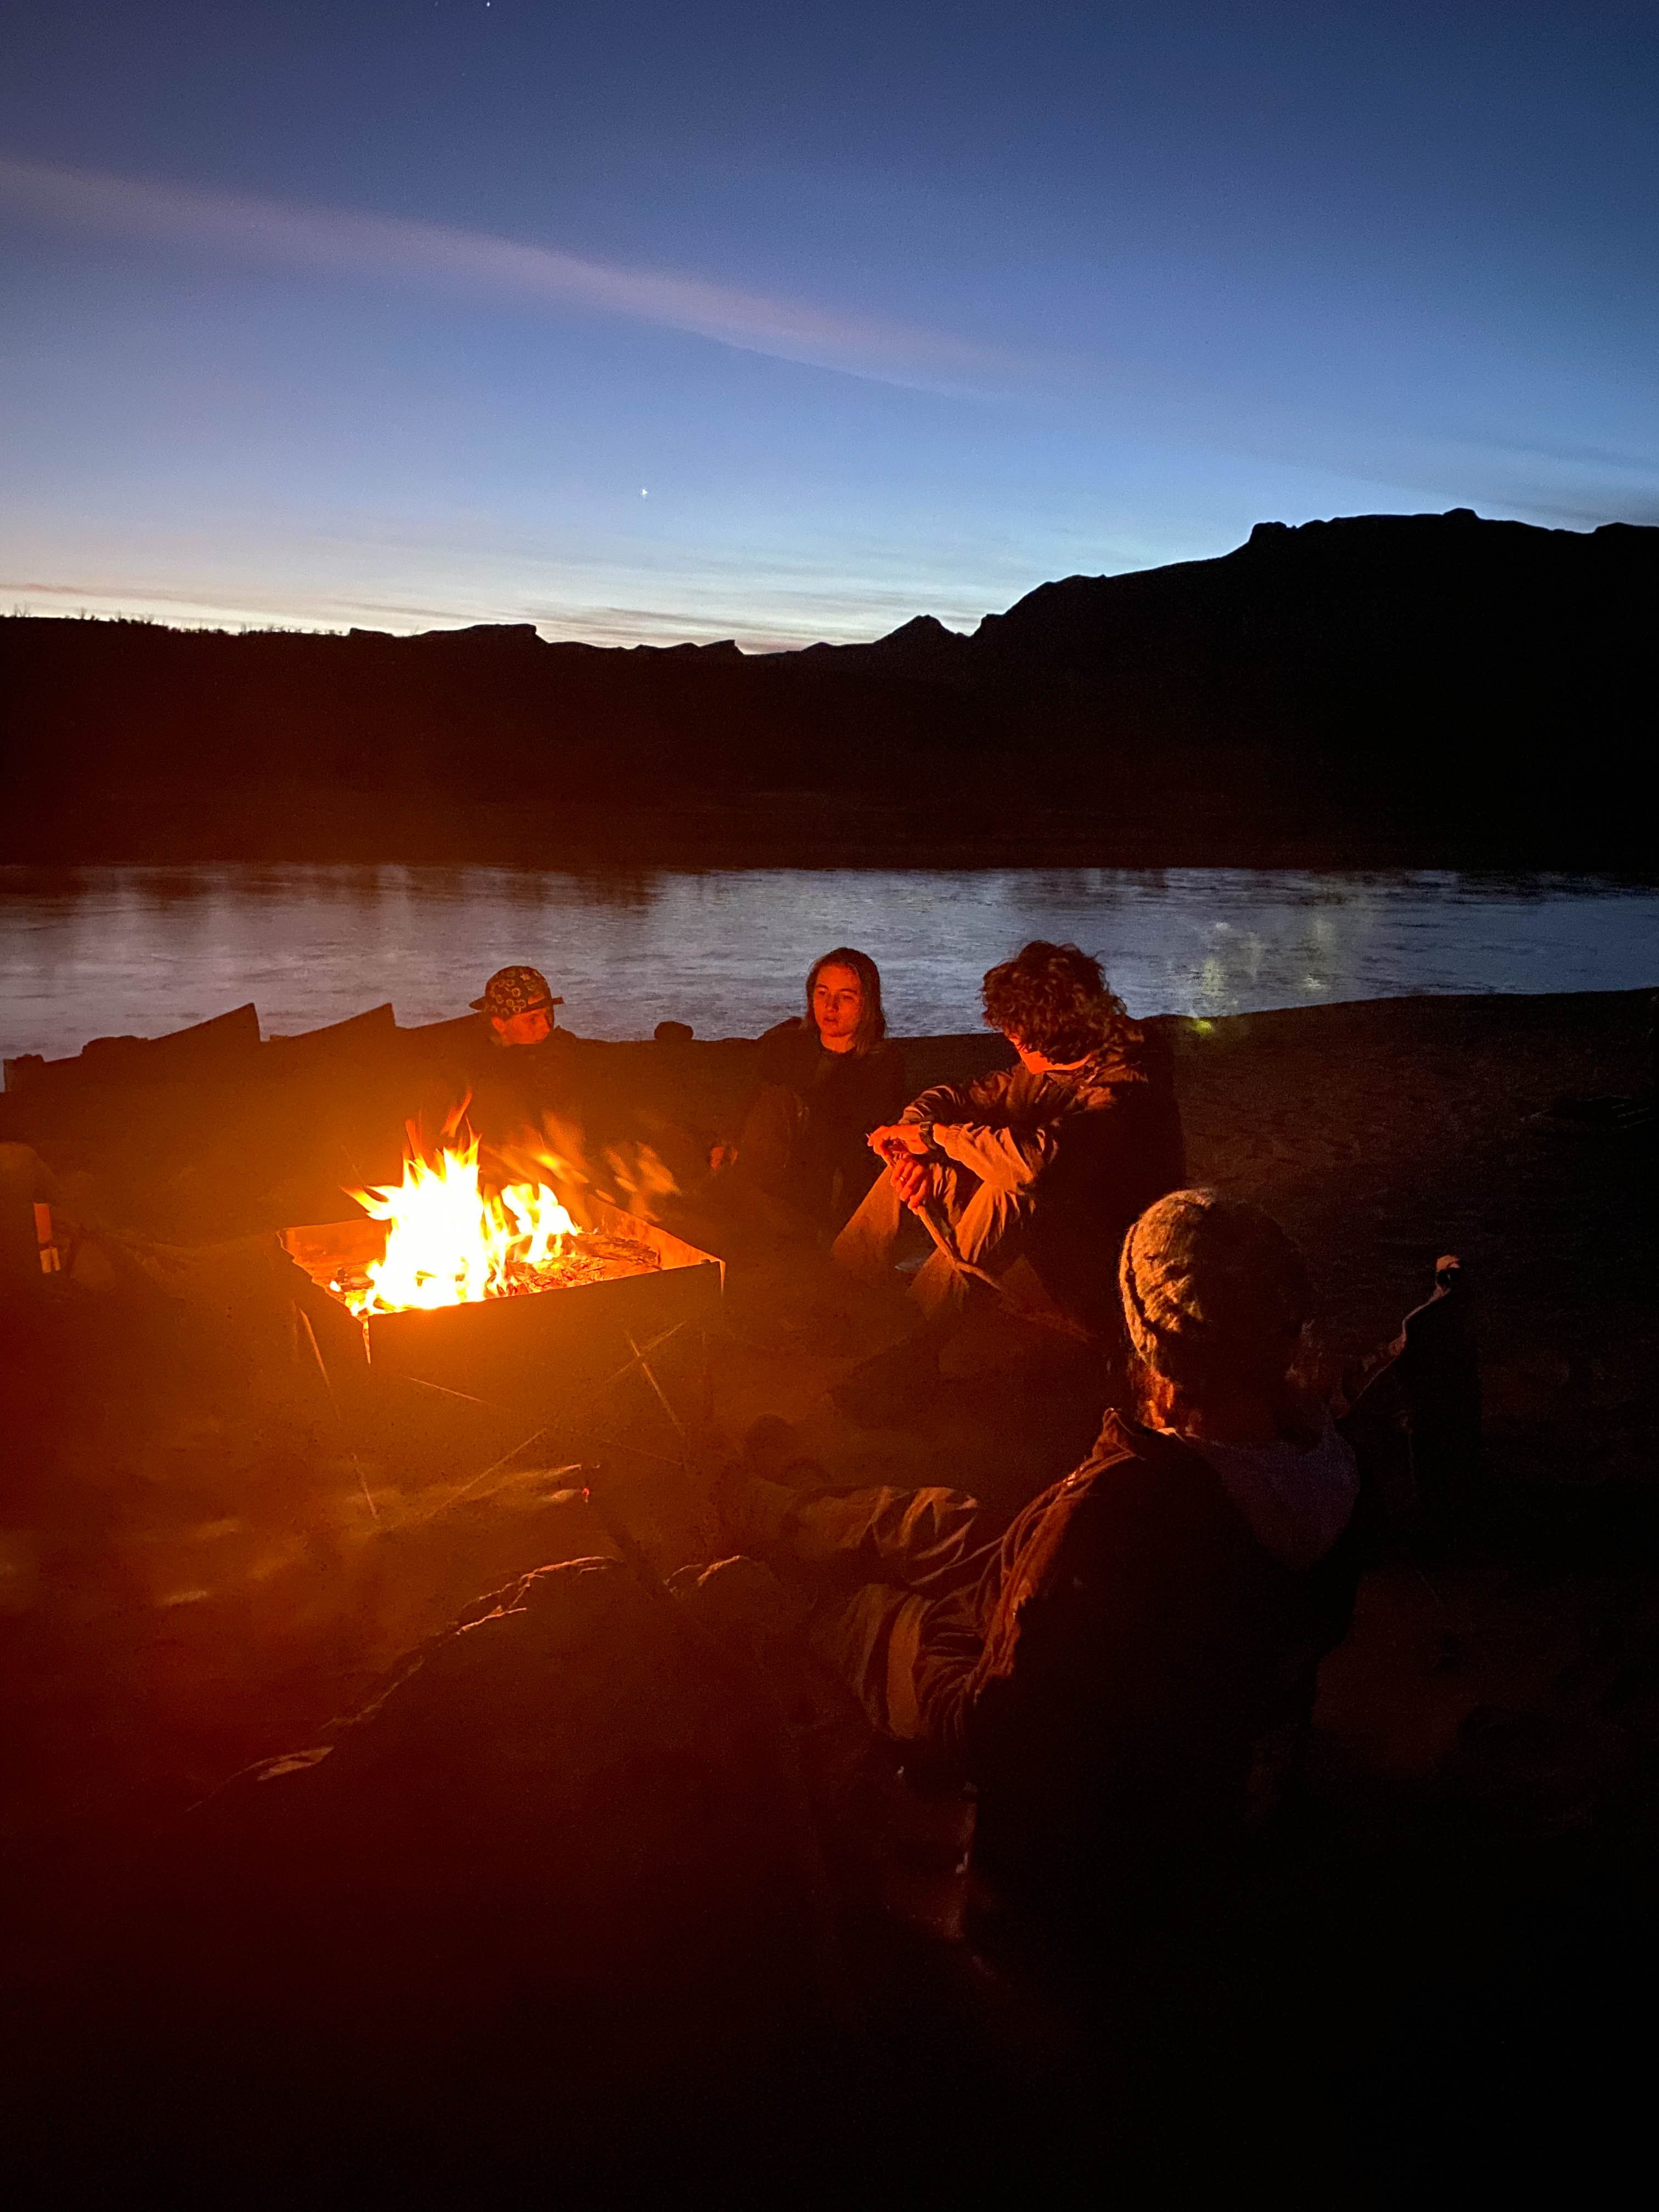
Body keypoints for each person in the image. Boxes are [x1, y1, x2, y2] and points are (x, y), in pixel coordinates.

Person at [721, 1190, 1365, 1922]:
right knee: (947, 1521)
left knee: (866, 1611)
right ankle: (778, 1508)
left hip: (1082, 1774)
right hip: (1147, 1683)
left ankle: (790, 1589)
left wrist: (892, 1621)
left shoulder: (1123, 1511)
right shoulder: (1319, 1458)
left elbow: (995, 1723)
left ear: (1154, 1341)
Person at [832, 940, 1185, 1339]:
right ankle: (838, 1287)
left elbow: (1035, 1165)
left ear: (1049, 1028)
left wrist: (935, 1136)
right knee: (925, 1157)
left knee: (1011, 1187)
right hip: (1038, 1253)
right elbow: (958, 1098)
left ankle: (908, 1341)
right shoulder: (1049, 1066)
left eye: (1015, 1031)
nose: (1007, 1035)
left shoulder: (1126, 1087)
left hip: (1103, 1275)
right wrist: (913, 1139)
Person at [716, 949, 907, 1234]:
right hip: (764, 1170)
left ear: (867, 1004)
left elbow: (858, 1146)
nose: (830, 1006)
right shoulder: (786, 1046)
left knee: (783, 1104)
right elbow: (747, 1103)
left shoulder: (881, 1066)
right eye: (822, 993)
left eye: (845, 997)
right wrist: (726, 1142)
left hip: (822, 1187)